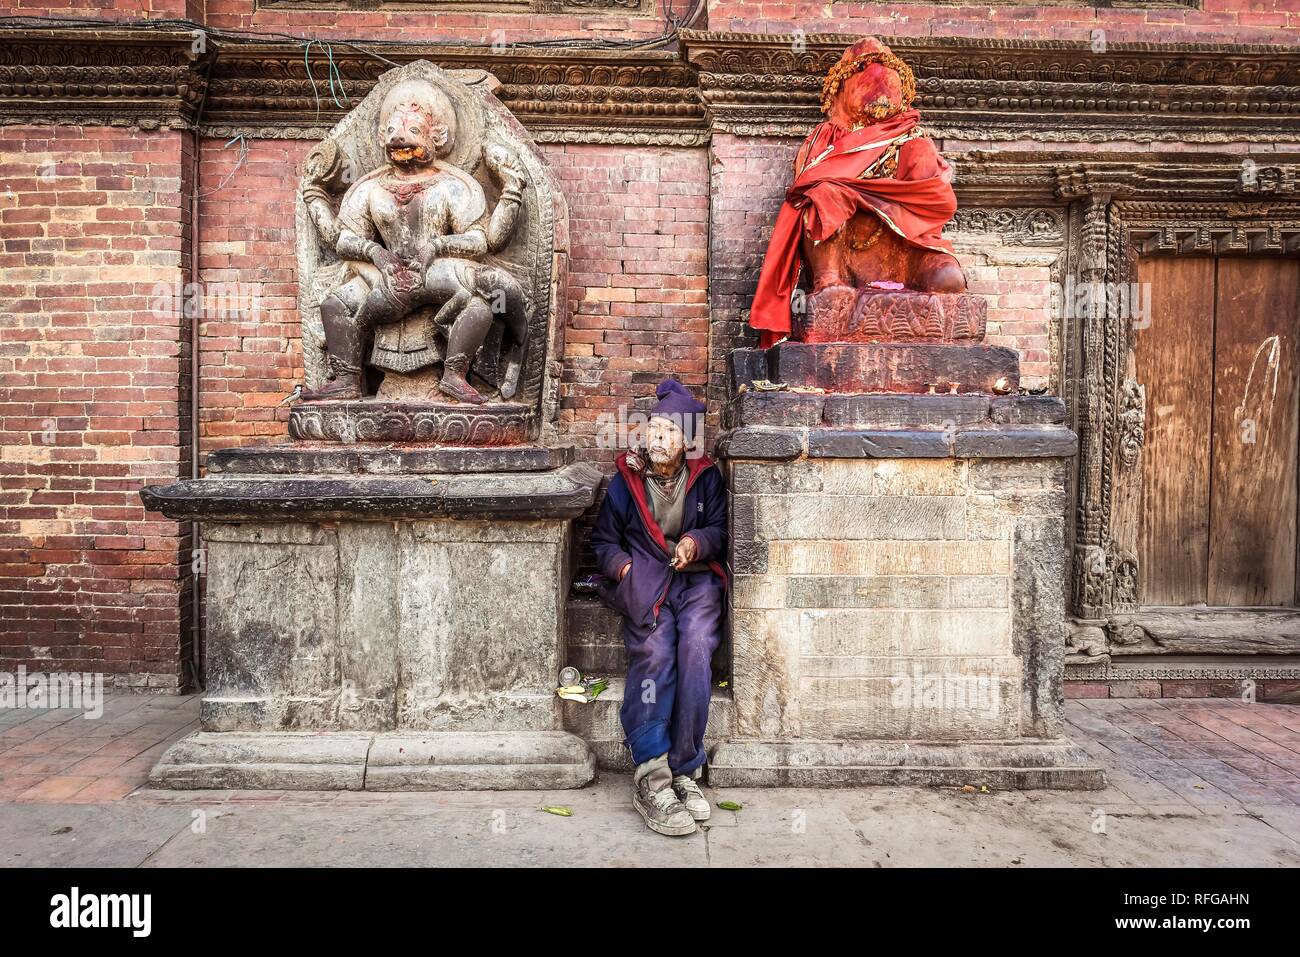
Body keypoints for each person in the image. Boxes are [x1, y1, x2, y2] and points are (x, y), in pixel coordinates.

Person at [589, 380, 729, 837]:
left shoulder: (706, 477)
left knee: (694, 650)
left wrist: (695, 541)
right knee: (655, 654)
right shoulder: (625, 481)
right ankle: (652, 774)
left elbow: (720, 530)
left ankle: (686, 768)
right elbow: (604, 541)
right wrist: (626, 570)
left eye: (670, 431)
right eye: (655, 429)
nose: (659, 438)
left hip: (697, 582)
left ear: (687, 441)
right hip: (647, 583)